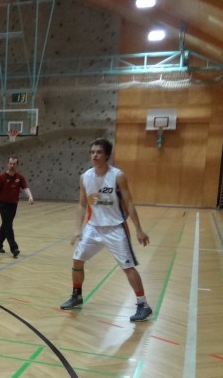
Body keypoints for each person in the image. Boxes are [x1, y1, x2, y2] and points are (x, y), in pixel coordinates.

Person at [60, 138, 153, 322]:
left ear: (107, 155)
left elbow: (129, 203)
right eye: (92, 152)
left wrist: (139, 229)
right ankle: (76, 295)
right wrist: (77, 228)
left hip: (115, 228)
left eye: (99, 152)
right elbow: (82, 205)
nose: (94, 155)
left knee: (128, 267)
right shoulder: (85, 177)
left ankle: (143, 304)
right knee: (77, 260)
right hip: (93, 227)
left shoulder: (118, 176)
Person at [0, 155, 34, 258]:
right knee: (8, 225)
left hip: (13, 205)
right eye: (10, 163)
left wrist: (30, 196)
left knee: (5, 225)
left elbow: (25, 188)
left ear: (17, 165)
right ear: (8, 164)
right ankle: (14, 248)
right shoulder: (1, 177)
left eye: (14, 164)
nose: (12, 165)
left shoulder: (20, 177)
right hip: (3, 204)